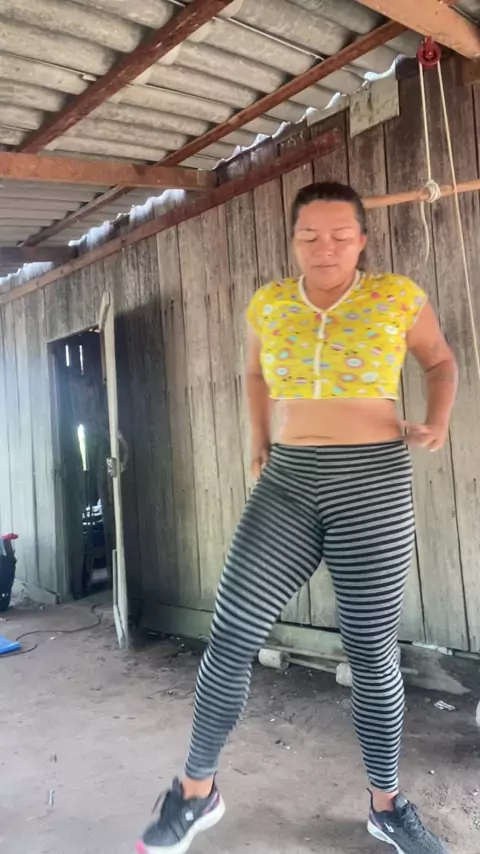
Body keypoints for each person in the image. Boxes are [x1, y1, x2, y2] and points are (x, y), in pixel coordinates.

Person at [137, 182, 457, 854]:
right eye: (309, 236)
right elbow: (256, 375)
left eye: (340, 235)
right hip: (288, 481)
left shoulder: (396, 295)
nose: (325, 247)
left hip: (372, 483)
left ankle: (387, 804)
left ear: (362, 239)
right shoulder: (270, 303)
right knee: (231, 633)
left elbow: (439, 361)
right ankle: (197, 792)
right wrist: (258, 440)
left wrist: (437, 420)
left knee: (371, 651)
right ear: (292, 241)